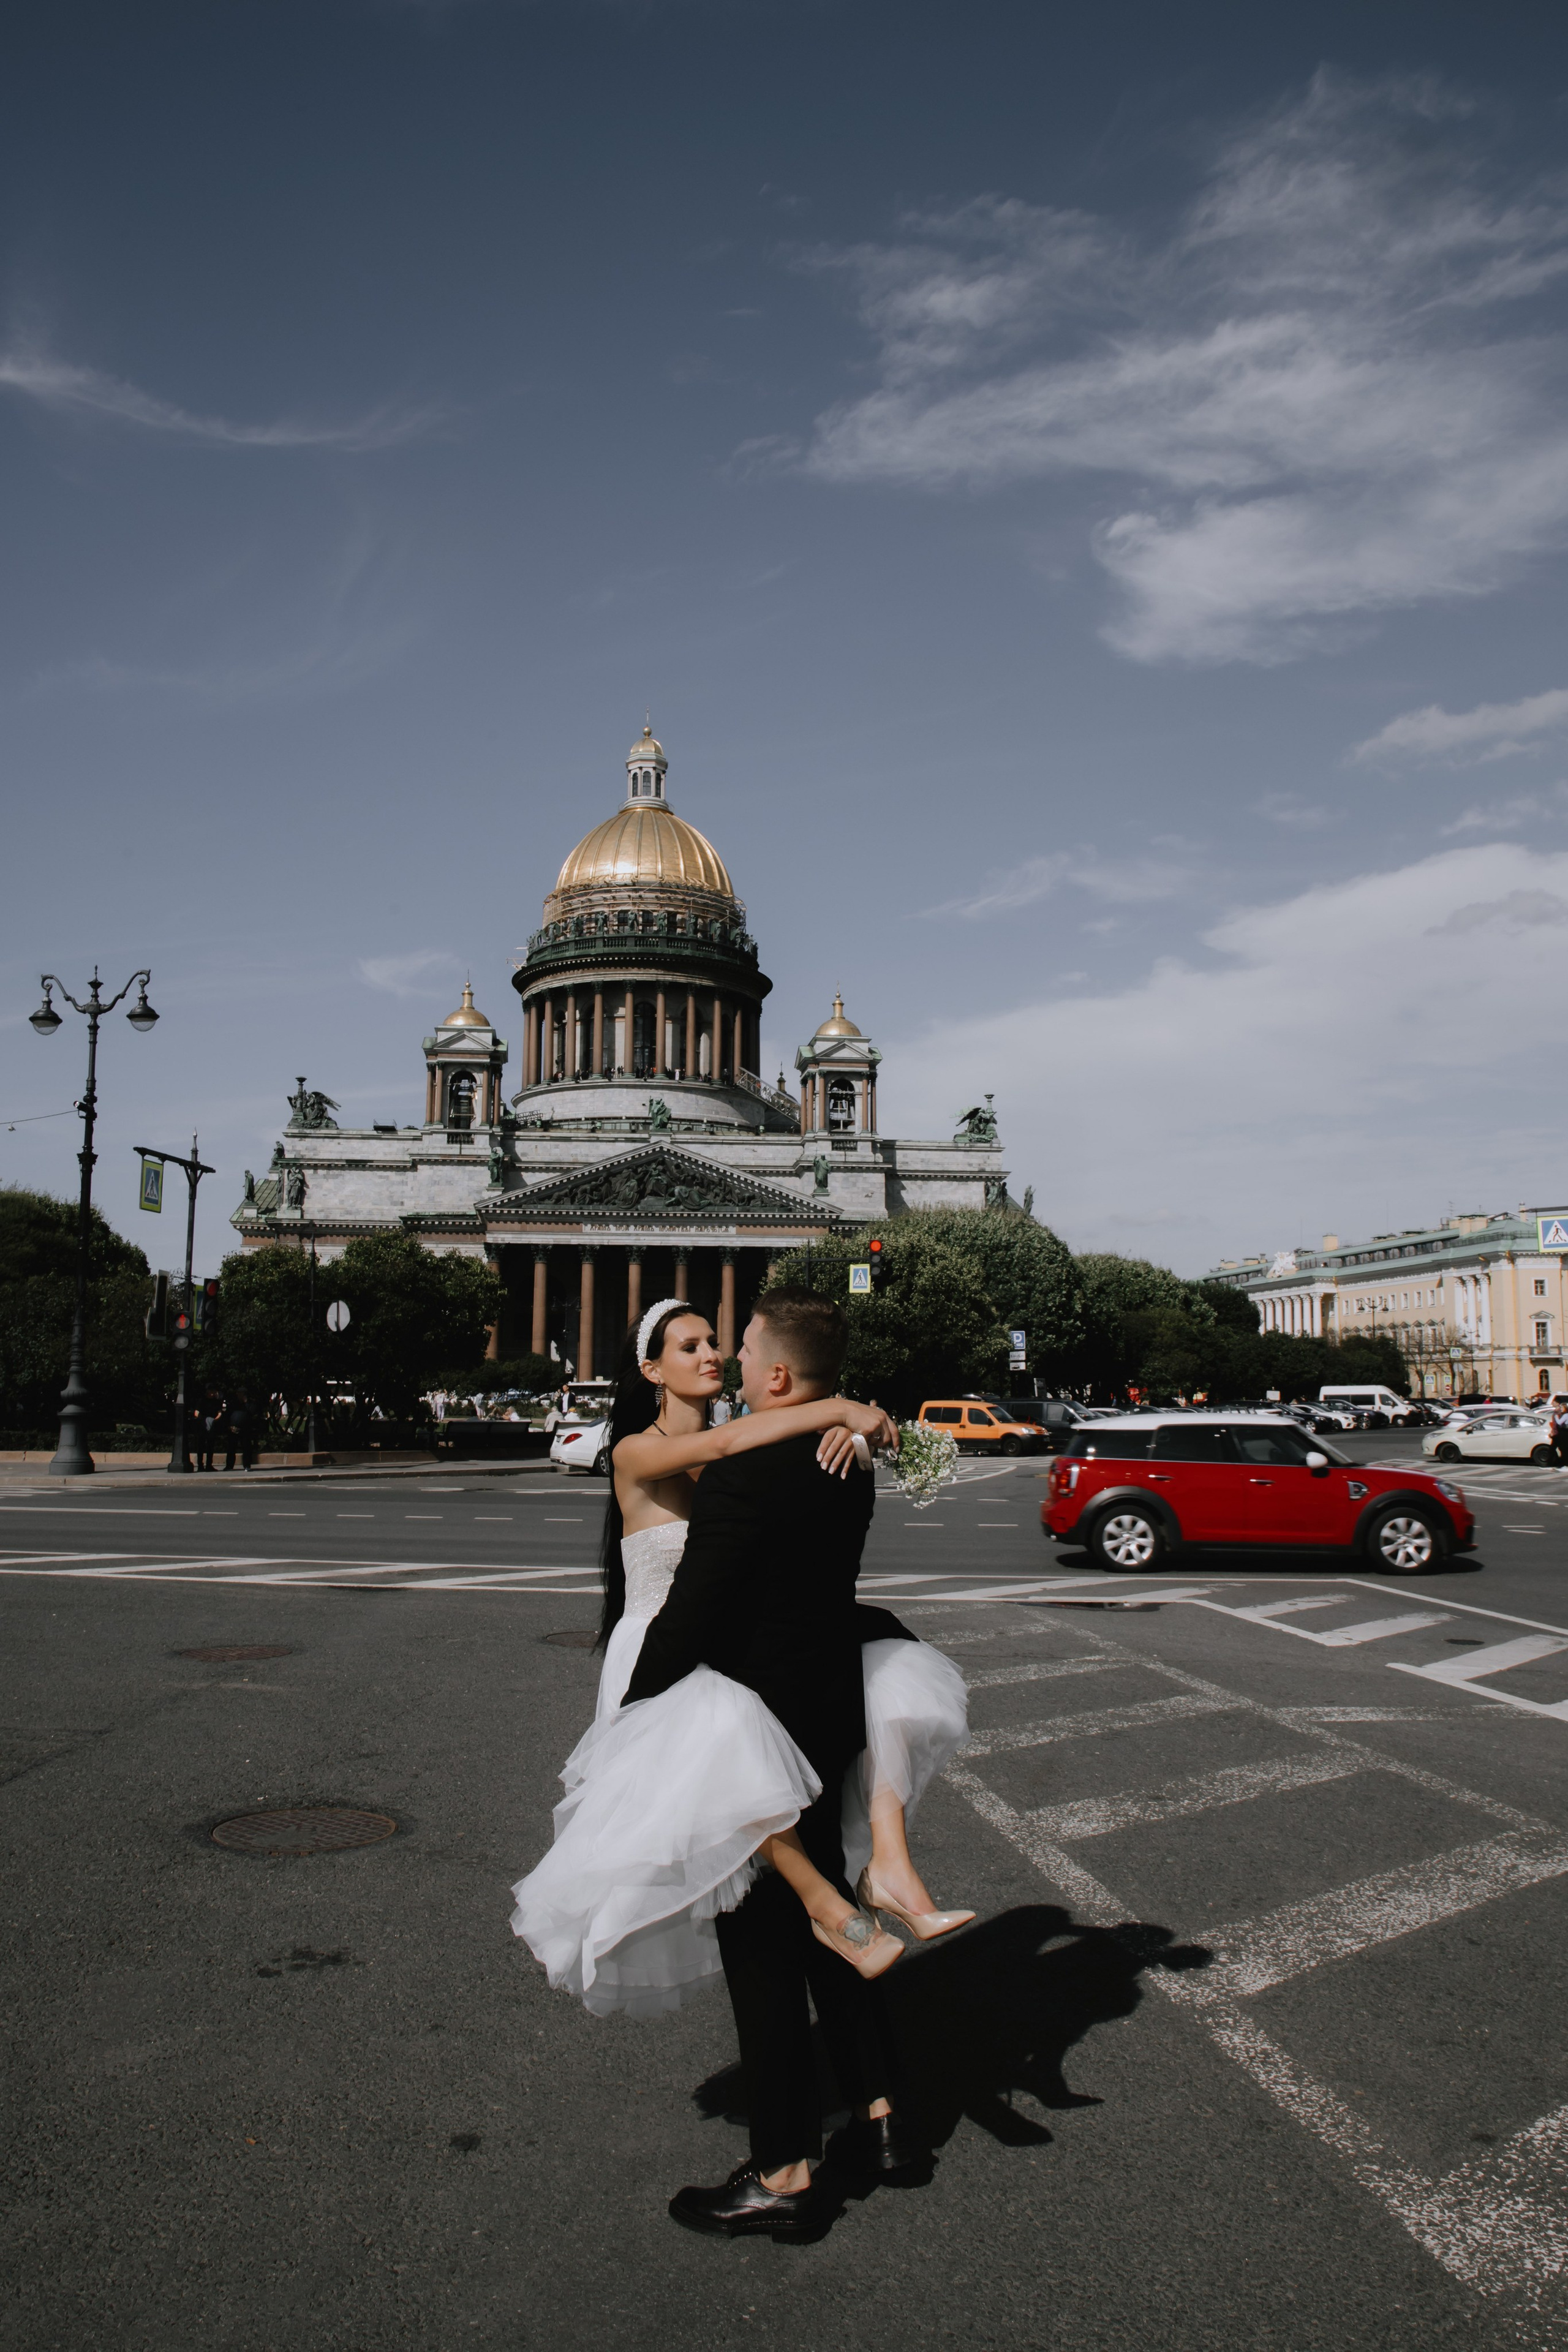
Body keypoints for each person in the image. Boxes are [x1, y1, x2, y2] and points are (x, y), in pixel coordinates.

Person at [627, 1291, 937, 2236]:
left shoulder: (747, 1469)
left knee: (761, 1949)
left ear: (772, 1376)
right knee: (827, 1918)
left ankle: (785, 2171)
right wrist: (851, 1410)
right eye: (696, 1342)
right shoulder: (845, 1461)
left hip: (750, 1720)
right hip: (825, 1706)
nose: (721, 1352)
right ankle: (882, 2117)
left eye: (735, 1342)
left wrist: (636, 1715)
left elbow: (698, 1612)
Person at [224, 1393, 255, 1472]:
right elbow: (228, 1414)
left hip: (245, 1429)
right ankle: (229, 1466)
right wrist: (228, 1425)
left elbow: (252, 1412)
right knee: (231, 1448)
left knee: (246, 1448)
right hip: (233, 1429)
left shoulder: (249, 1404)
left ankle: (247, 1465)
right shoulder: (234, 1403)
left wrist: (246, 1402)